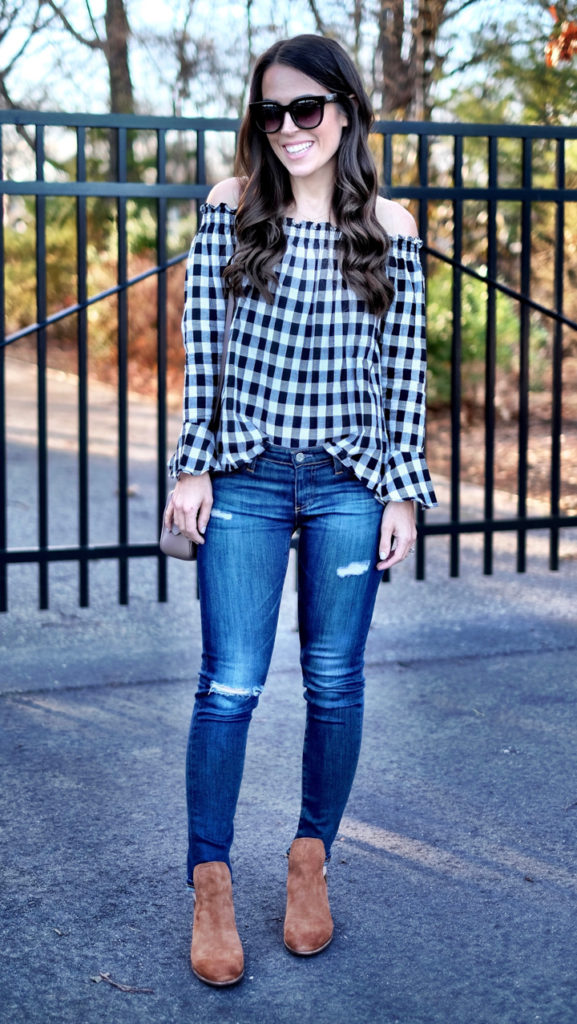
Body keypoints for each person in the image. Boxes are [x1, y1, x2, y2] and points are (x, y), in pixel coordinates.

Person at [166, 33, 437, 987]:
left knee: (335, 682)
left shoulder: (392, 231)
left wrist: (402, 487)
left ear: (346, 111)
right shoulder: (230, 211)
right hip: (242, 475)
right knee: (230, 684)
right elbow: (204, 345)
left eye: (306, 110)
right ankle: (211, 884)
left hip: (349, 485)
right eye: (270, 113)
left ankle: (309, 860)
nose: (287, 130)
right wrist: (192, 467)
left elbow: (402, 372)